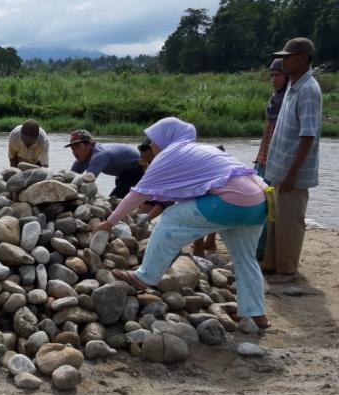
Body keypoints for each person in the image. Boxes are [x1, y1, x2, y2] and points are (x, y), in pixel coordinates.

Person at [96, 117, 269, 329]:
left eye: (152, 141)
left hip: (231, 200)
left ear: (165, 138)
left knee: (170, 218)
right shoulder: (198, 149)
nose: (150, 146)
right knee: (245, 258)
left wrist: (110, 222)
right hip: (258, 201)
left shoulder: (171, 154)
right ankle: (256, 314)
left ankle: (145, 276)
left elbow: (138, 194)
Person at [263, 38, 322, 283]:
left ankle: (287, 270)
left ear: (304, 59)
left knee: (290, 221)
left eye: (289, 56)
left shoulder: (308, 90)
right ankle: (272, 263)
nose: (284, 60)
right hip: (278, 168)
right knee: (275, 217)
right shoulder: (293, 85)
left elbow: (307, 135)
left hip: (292, 173)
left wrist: (292, 173)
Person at [253, 59, 288, 262]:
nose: (274, 79)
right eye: (272, 75)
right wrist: (258, 159)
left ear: (286, 77)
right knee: (261, 206)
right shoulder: (274, 99)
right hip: (263, 160)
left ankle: (265, 252)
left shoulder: (287, 101)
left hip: (275, 165)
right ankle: (260, 249)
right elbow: (267, 135)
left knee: (271, 209)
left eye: (278, 75)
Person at [66, 129, 144, 198]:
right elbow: (70, 179)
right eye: (72, 149)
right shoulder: (84, 157)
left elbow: (87, 182)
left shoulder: (99, 155)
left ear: (89, 144)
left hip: (138, 170)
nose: (75, 152)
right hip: (122, 174)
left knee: (114, 201)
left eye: (77, 147)